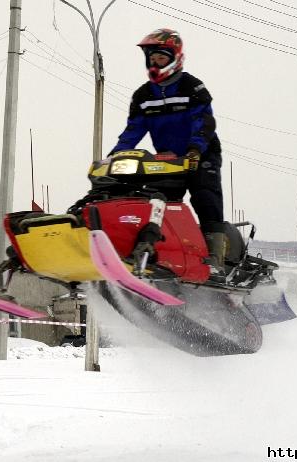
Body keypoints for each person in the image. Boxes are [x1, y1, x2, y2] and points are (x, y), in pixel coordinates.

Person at [110, 28, 226, 277]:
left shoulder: (192, 87)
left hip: (201, 154)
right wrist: (115, 157)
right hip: (167, 160)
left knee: (205, 196)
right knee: (156, 201)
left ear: (174, 58)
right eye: (151, 58)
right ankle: (157, 252)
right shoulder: (142, 96)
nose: (155, 62)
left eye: (160, 58)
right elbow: (132, 131)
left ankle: (216, 260)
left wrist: (195, 149)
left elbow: (204, 122)